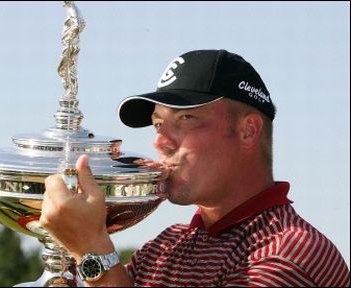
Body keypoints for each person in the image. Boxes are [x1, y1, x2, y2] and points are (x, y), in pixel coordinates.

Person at [40, 49, 350, 287]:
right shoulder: (165, 247)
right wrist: (96, 219)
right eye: (158, 124)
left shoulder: (287, 254)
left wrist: (93, 247)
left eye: (185, 119)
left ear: (248, 131)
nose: (160, 141)